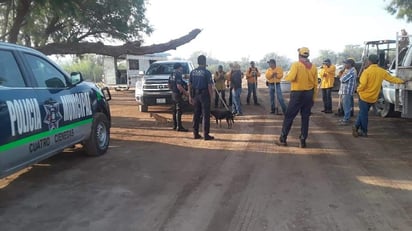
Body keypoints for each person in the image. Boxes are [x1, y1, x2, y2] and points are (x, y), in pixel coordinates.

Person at [352, 54, 405, 137]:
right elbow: (392, 79)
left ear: (369, 61)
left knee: (364, 114)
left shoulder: (366, 72)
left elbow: (363, 85)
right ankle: (356, 126)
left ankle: (364, 131)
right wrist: (402, 81)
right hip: (373, 97)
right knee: (363, 112)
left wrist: (358, 90)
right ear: (378, 61)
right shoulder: (382, 71)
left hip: (364, 96)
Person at [276, 47, 318, 148]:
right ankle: (302, 140)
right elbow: (315, 84)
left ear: (299, 55)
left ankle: (283, 139)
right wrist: (313, 98)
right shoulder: (313, 67)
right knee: (305, 118)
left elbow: (291, 77)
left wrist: (286, 76)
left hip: (297, 94)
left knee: (289, 116)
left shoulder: (296, 65)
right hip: (309, 94)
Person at [188, 55, 215, 140]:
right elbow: (209, 86)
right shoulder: (206, 72)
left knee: (196, 114)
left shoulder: (193, 72)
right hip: (204, 95)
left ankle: (195, 133)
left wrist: (190, 96)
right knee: (205, 115)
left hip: (195, 95)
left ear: (198, 62)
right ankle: (205, 135)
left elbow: (189, 85)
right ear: (205, 62)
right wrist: (211, 97)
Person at [168, 63, 189, 132]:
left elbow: (168, 84)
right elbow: (179, 86)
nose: (182, 69)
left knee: (174, 110)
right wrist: (186, 93)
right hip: (177, 94)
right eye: (181, 67)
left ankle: (175, 125)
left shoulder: (171, 74)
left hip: (173, 93)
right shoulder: (178, 74)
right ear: (179, 67)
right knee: (179, 110)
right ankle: (179, 126)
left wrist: (172, 90)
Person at [338, 58, 357, 126]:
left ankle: (346, 119)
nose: (344, 65)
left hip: (347, 91)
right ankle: (346, 118)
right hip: (345, 91)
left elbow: (342, 79)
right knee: (346, 105)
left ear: (350, 64)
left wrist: (342, 75)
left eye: (345, 63)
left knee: (347, 106)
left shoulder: (352, 71)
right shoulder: (348, 70)